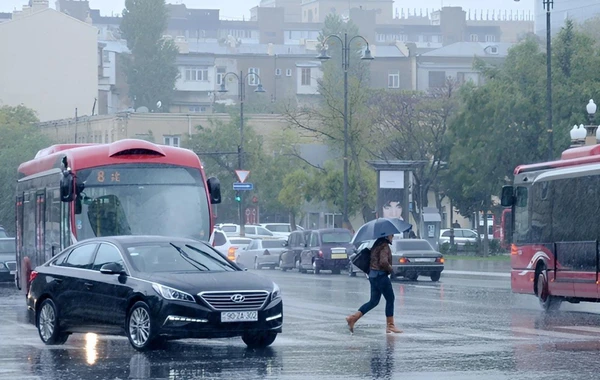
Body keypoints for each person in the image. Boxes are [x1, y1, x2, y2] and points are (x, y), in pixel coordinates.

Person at [345, 235, 402, 334]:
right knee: (390, 298)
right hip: (381, 276)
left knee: (373, 301)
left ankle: (353, 318)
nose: (392, 237)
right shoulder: (384, 245)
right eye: (391, 235)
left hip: (372, 275)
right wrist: (391, 269)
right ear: (387, 236)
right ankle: (390, 325)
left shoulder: (376, 244)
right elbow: (383, 261)